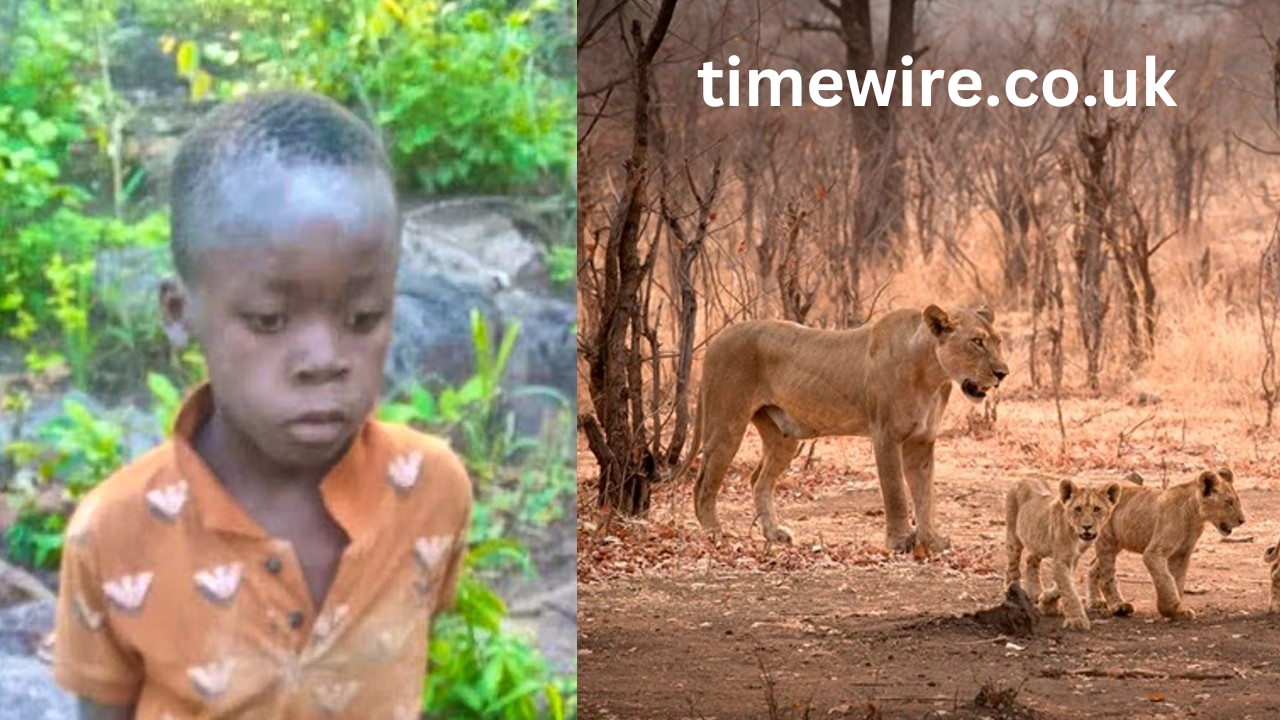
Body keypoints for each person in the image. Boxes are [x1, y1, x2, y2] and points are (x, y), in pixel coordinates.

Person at [51, 90, 473, 719]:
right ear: (178, 312)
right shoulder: (113, 535)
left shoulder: (431, 492)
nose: (324, 357)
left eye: (364, 317)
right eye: (270, 319)